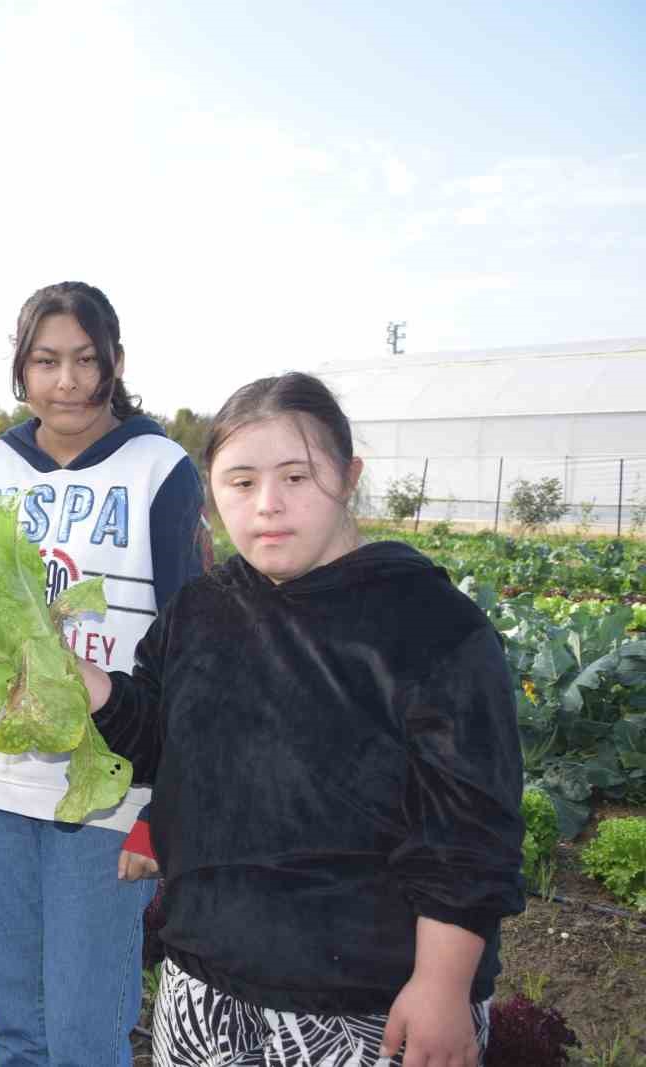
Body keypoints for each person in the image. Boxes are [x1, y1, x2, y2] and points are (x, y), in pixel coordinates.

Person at [90, 372, 523, 1066]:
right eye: (240, 482)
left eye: (297, 476)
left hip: (371, 1003)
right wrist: (94, 692)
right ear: (211, 492)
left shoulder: (431, 624)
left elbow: (468, 831)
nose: (268, 504)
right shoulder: (200, 611)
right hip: (206, 989)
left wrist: (442, 988)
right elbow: (158, 746)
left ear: (349, 475)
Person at [0, 282, 207, 1067]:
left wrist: (161, 808)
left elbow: (186, 645)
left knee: (84, 1035)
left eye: (85, 360)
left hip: (107, 786)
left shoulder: (158, 467)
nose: (65, 381)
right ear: (21, 371)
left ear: (115, 365)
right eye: (45, 361)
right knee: (20, 1029)